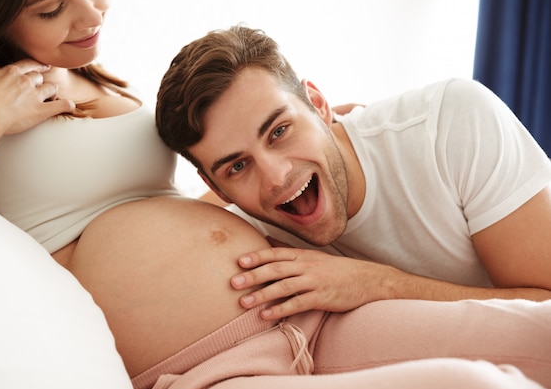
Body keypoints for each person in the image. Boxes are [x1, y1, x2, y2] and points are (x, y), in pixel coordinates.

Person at [0, 0, 550, 389]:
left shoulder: (97, 73)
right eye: (50, 7)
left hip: (310, 317)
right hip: (205, 375)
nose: (88, 12)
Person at [155, 25, 551, 322]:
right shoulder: (243, 232)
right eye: (238, 166)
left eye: (279, 131)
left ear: (318, 105)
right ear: (216, 186)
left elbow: (547, 302)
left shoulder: (449, 123)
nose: (275, 177)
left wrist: (380, 285)